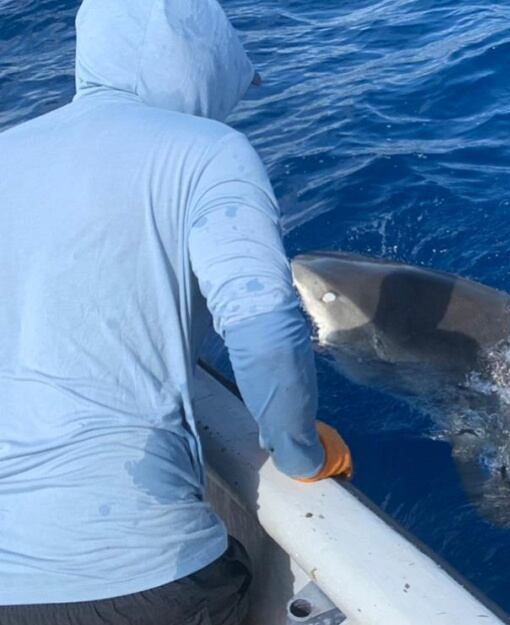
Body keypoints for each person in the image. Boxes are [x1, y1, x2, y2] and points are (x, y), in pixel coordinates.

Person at [0, 0, 353, 623]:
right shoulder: (208, 150)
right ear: (198, 62)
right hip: (138, 573)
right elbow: (265, 330)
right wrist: (304, 454)